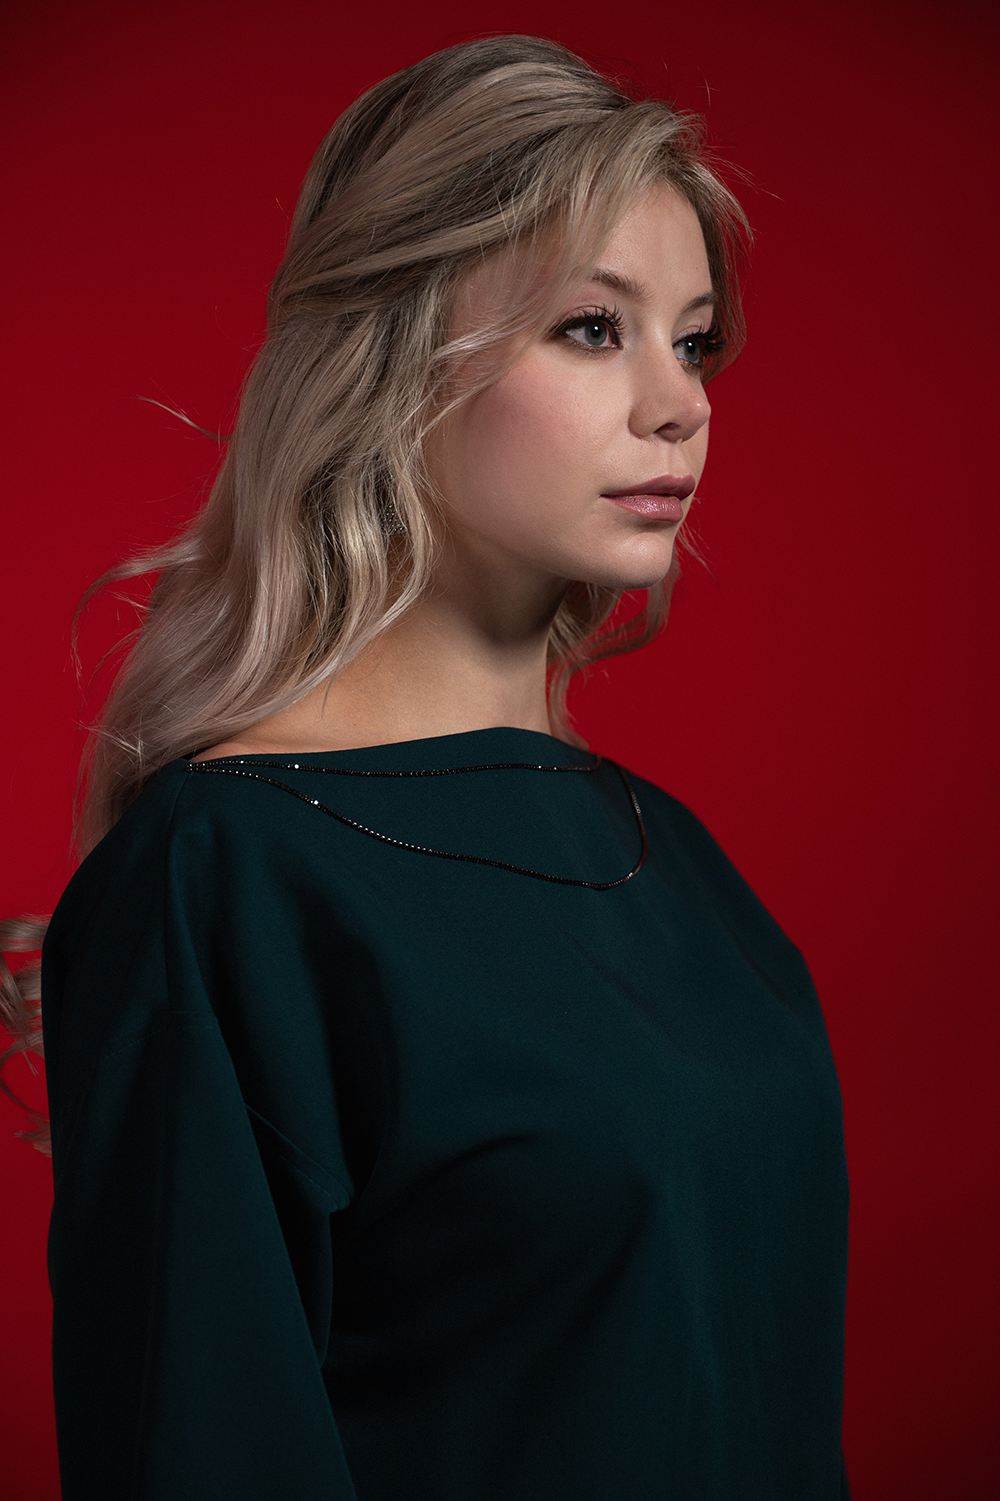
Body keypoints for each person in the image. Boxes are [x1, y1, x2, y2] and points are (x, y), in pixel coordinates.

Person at [1, 34, 850, 1501]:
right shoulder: (224, 877)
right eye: (595, 327)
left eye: (695, 338)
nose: (681, 402)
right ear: (397, 357)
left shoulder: (681, 864)